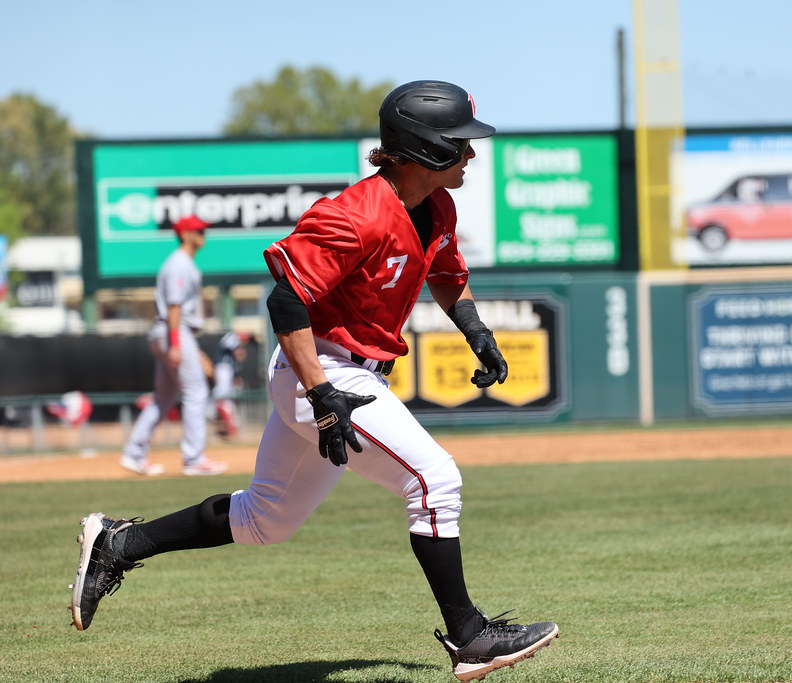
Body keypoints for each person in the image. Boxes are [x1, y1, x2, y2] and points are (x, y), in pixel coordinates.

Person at [70, 80, 558, 682]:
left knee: (263, 522)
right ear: (426, 148)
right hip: (322, 371)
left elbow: (447, 274)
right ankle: (470, 636)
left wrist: (476, 330)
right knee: (435, 480)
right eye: (460, 143)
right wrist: (321, 396)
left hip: (344, 373)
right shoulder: (356, 214)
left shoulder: (438, 207)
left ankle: (120, 545)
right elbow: (286, 302)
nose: (471, 155)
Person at [119, 214, 228, 477]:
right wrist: (177, 344)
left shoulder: (183, 262)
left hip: (169, 332)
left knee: (163, 398)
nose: (204, 234)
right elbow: (174, 307)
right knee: (196, 391)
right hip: (173, 330)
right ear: (186, 234)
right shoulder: (179, 264)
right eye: (199, 230)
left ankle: (134, 453)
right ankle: (193, 459)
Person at [209, 330, 249, 438]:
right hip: (223, 367)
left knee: (227, 397)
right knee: (222, 394)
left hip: (226, 368)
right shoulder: (231, 336)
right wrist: (240, 351)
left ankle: (221, 415)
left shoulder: (232, 341)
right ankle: (213, 410)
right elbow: (238, 352)